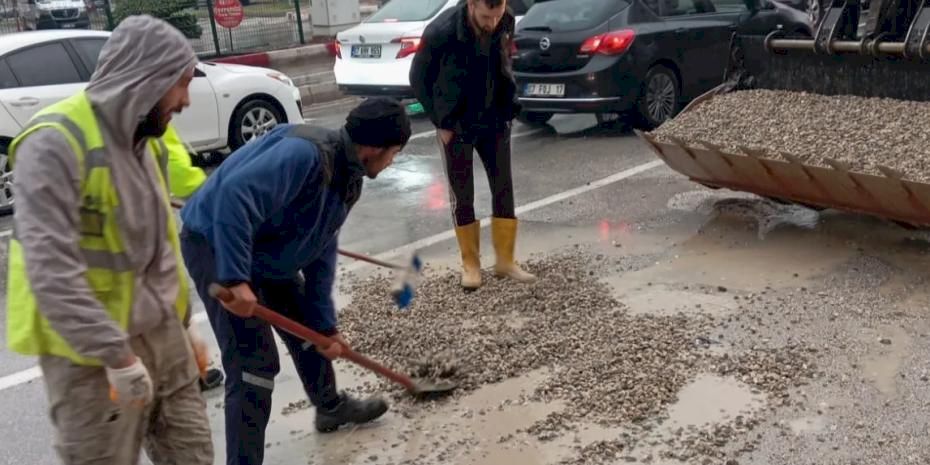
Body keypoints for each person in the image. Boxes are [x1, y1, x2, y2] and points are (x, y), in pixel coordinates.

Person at [5, 15, 213, 465]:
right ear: (146, 81)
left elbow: (161, 249)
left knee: (192, 455)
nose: (185, 100)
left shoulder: (149, 143)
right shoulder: (53, 144)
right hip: (87, 354)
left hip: (162, 334)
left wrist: (184, 320)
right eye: (179, 85)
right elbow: (51, 271)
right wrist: (116, 355)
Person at [178, 97, 412, 465]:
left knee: (309, 333)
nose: (392, 160)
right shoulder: (305, 156)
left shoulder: (347, 178)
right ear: (374, 148)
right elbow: (233, 198)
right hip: (215, 241)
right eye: (394, 152)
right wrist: (236, 277)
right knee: (254, 364)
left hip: (266, 249)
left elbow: (320, 249)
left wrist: (325, 326)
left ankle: (330, 407)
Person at [410, 0, 536, 290]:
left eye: (497, 15)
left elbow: (504, 61)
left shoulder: (506, 20)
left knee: (503, 187)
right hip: (455, 125)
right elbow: (417, 78)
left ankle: (505, 261)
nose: (492, 23)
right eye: (484, 16)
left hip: (494, 119)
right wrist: (439, 121)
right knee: (462, 194)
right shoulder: (441, 31)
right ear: (471, 4)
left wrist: (507, 108)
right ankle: (471, 265)